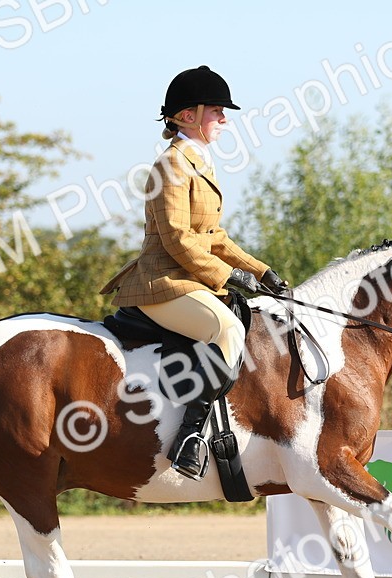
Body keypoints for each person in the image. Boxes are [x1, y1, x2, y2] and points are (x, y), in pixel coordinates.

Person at [100, 65, 289, 480]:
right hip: (162, 282)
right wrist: (230, 276)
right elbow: (178, 240)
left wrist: (262, 270)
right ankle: (190, 436)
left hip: (189, 278)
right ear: (187, 115)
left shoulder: (199, 162)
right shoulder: (171, 165)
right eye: (217, 110)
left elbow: (214, 235)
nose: (224, 118)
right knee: (225, 329)